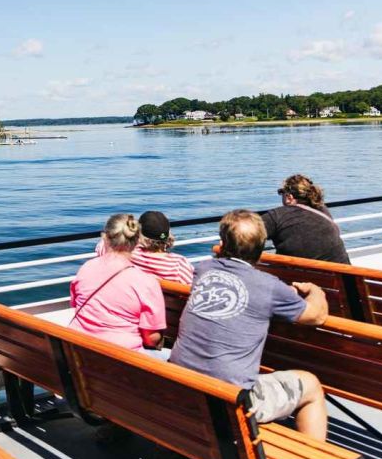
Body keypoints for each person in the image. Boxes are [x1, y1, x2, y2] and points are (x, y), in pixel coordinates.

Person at [170, 210, 330, 439]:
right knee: (311, 385)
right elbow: (317, 316)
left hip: (182, 386)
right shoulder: (270, 287)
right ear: (261, 248)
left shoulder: (203, 269)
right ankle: (313, 455)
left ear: (222, 243)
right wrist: (315, 292)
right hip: (230, 401)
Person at [70, 213, 166, 354]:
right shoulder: (146, 282)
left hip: (78, 350)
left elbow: (75, 304)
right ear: (137, 241)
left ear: (105, 238)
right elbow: (151, 339)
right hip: (122, 358)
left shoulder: (86, 268)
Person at [261, 174, 349, 264]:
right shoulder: (322, 210)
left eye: (282, 194)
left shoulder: (277, 215)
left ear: (289, 197)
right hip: (344, 271)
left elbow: (252, 234)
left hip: (302, 273)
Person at [95, 210, 194, 285]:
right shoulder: (178, 265)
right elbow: (193, 292)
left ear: (138, 233)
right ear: (168, 234)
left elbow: (102, 245)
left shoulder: (124, 255)